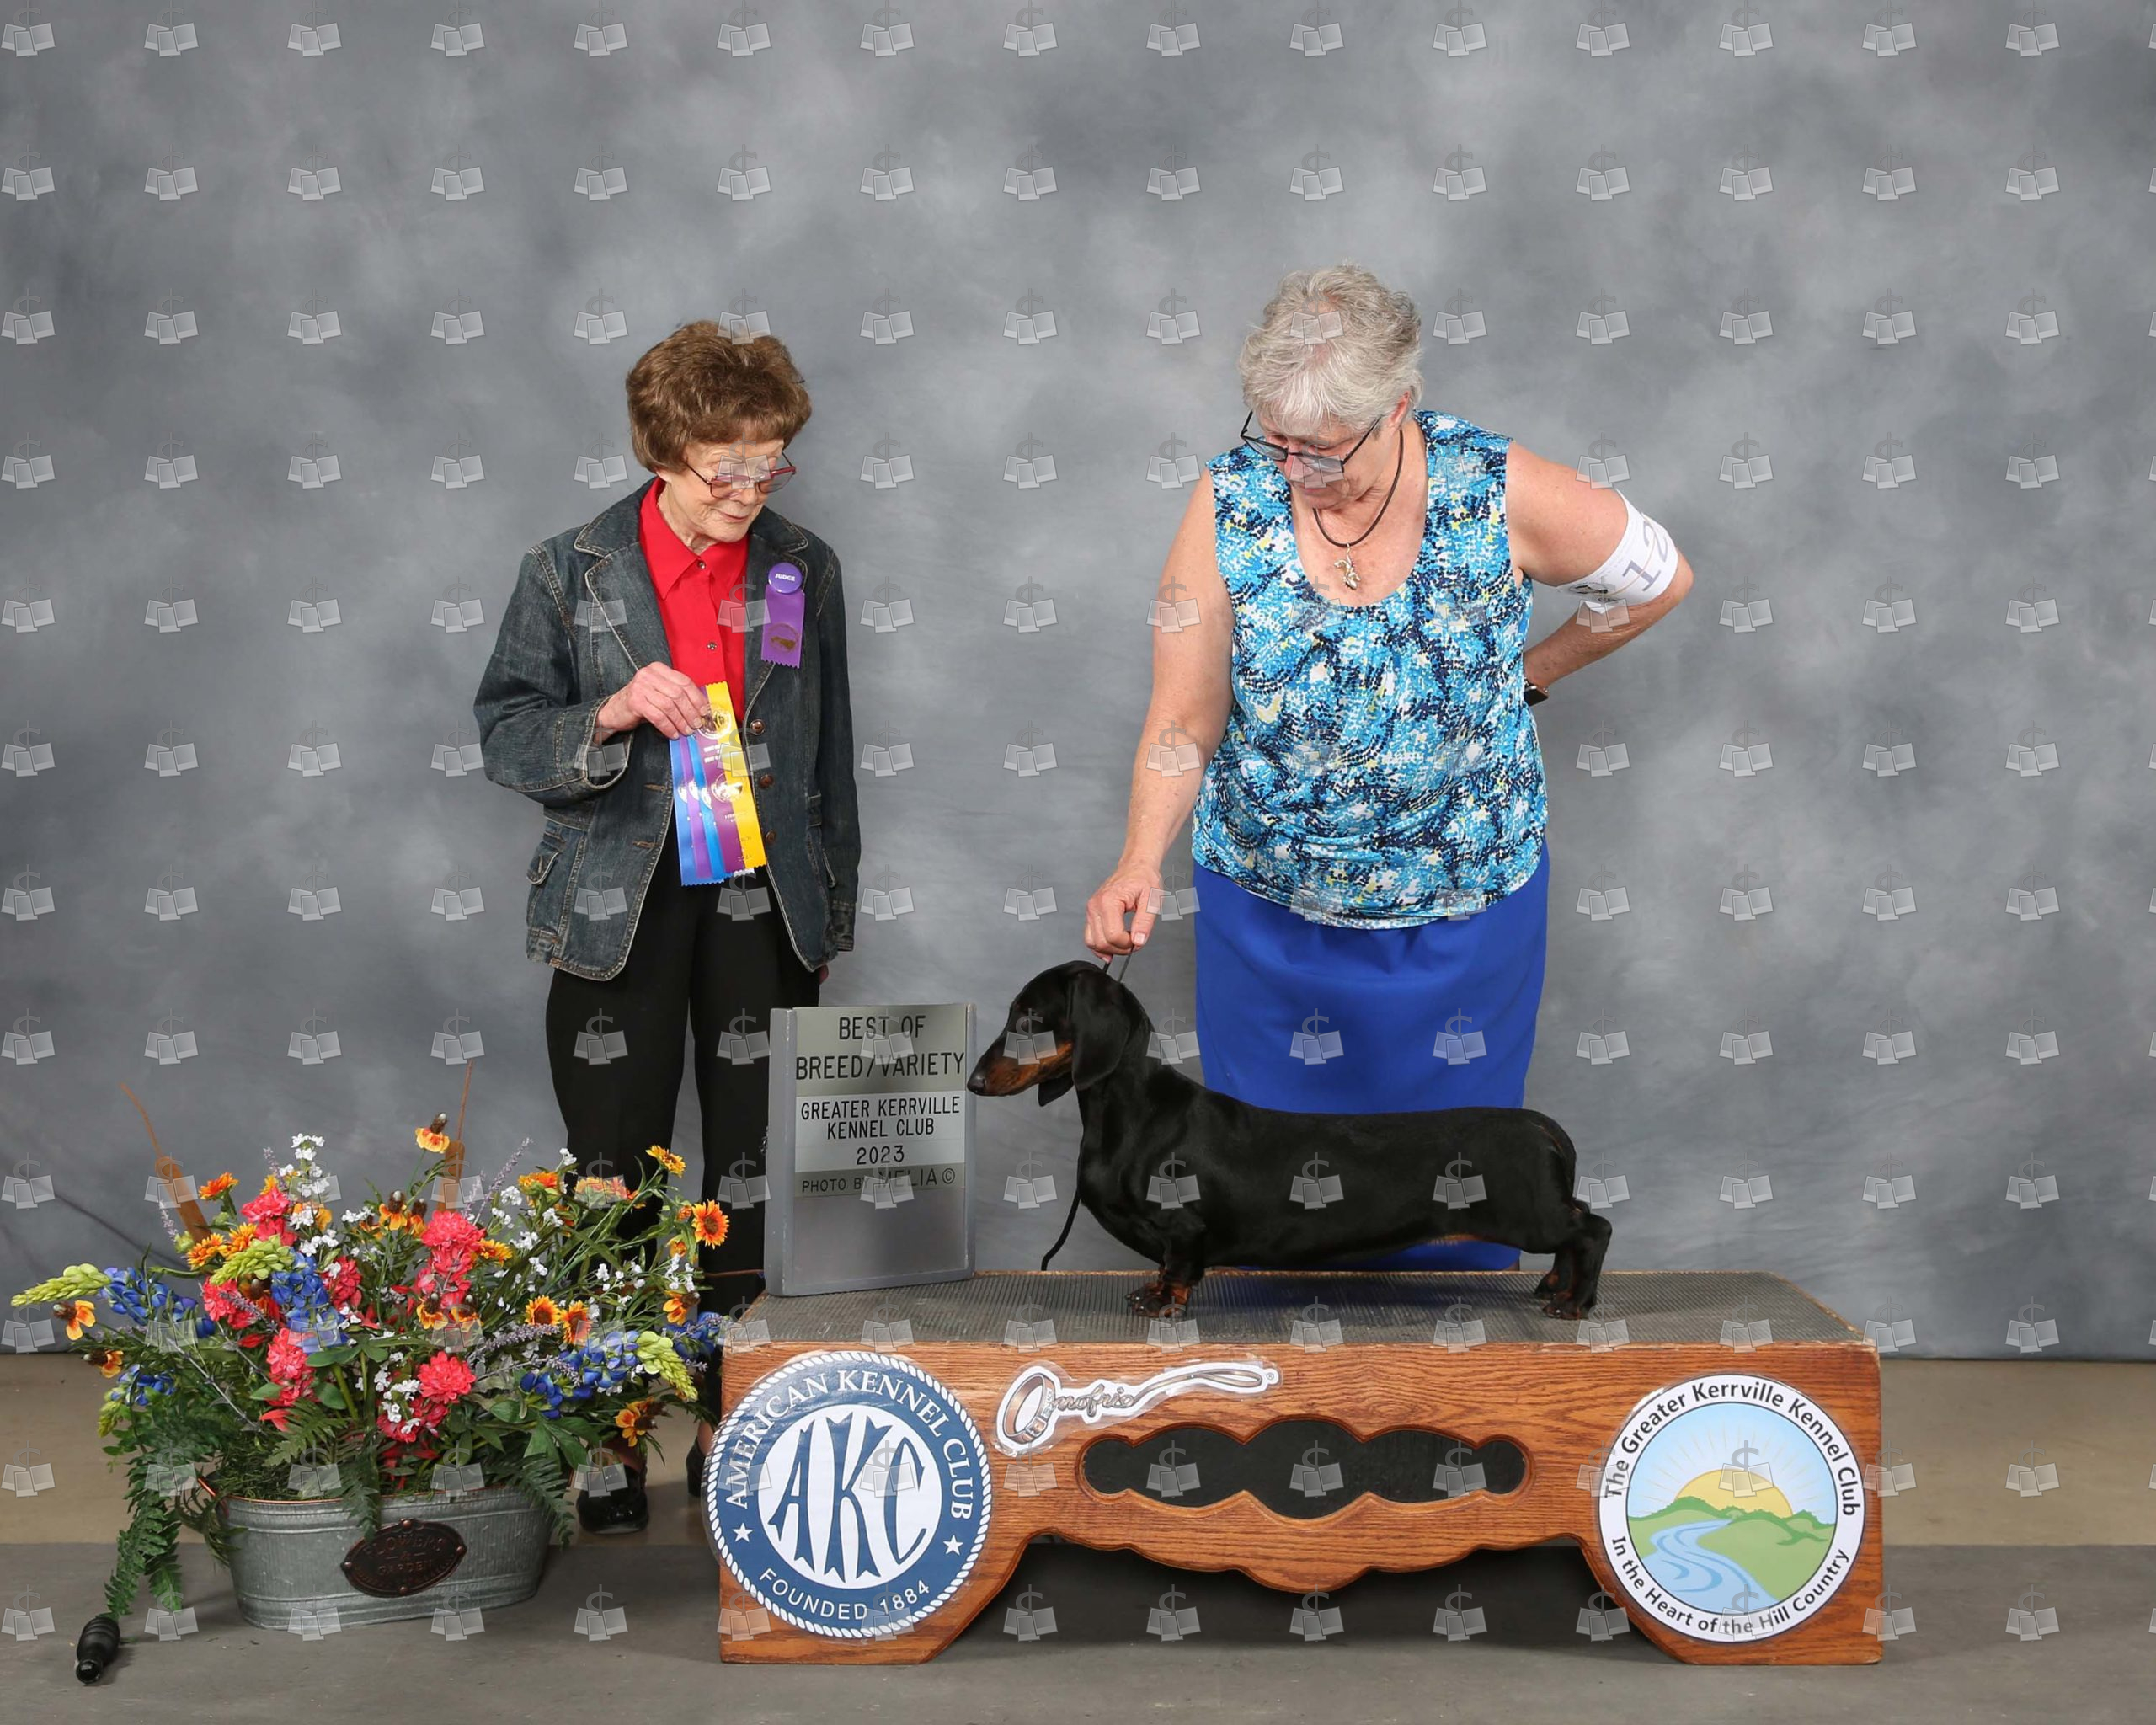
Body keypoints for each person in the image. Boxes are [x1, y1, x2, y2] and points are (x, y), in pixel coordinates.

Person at [1083, 262, 1691, 1274]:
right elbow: (1183, 714)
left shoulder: (1497, 485)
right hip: (1270, 916)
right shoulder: (1228, 500)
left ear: (1398, 405)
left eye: (1322, 449)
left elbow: (1659, 578)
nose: (1294, 470)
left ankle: (1440, 1367)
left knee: (1453, 1200)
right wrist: (1138, 858)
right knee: (1264, 1206)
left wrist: (1526, 676)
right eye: (1275, 440)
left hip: (1462, 915)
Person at [474, 324, 859, 1531]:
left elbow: (828, 755)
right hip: (618, 900)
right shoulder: (568, 568)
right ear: (661, 451)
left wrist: (828, 908)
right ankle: (608, 1428)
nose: (750, 488)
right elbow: (506, 734)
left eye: (770, 460)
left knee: (753, 1167)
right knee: (613, 1171)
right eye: (724, 465)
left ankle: (733, 1418)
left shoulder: (802, 567)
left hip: (761, 895)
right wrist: (610, 710)